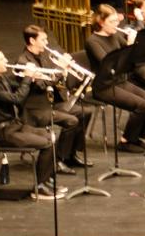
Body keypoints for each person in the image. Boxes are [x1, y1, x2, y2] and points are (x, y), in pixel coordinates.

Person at [0, 46, 63, 199]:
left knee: (51, 136)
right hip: (3, 133)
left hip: (14, 126)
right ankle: (39, 187)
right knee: (46, 143)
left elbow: (18, 88)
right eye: (1, 59)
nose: (6, 61)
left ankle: (45, 180)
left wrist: (31, 77)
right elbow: (17, 99)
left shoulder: (1, 78)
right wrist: (27, 77)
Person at [16, 24, 90, 172]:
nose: (47, 43)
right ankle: (57, 160)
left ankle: (71, 154)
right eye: (43, 40)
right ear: (32, 41)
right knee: (72, 120)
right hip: (35, 109)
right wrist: (60, 70)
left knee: (85, 112)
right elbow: (41, 86)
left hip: (50, 102)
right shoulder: (23, 62)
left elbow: (56, 83)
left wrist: (65, 74)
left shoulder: (43, 56)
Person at [84, 3, 145, 152]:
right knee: (142, 106)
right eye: (112, 22)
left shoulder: (115, 35)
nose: (116, 24)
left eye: (117, 21)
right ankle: (125, 141)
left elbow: (132, 58)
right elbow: (108, 64)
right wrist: (129, 45)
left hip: (120, 81)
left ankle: (137, 138)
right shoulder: (92, 41)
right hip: (104, 87)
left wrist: (134, 44)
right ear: (101, 22)